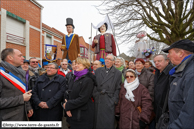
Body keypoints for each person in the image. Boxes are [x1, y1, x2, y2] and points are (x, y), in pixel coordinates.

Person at [162, 39, 194, 129]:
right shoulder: (181, 71)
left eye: (170, 53)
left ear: (181, 53)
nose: (168, 56)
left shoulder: (191, 74)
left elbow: (189, 115)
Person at [0, 48, 33, 127]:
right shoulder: (1, 74)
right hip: (7, 120)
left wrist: (28, 106)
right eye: (20, 56)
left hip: (22, 116)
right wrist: (21, 99)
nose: (23, 58)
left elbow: (23, 92)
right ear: (10, 58)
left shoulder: (19, 72)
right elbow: (22, 97)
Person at [63, 57, 96, 129]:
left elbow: (83, 98)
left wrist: (68, 105)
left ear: (85, 66)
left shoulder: (88, 80)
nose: (76, 65)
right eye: (76, 64)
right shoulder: (74, 77)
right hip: (73, 112)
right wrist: (67, 107)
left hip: (82, 115)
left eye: (79, 64)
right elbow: (68, 92)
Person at [93, 54, 122, 129]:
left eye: (109, 59)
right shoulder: (98, 70)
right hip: (99, 99)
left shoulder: (117, 73)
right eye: (106, 58)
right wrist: (95, 95)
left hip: (109, 100)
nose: (107, 60)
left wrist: (114, 100)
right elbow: (94, 84)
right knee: (98, 122)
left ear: (113, 62)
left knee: (107, 122)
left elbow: (118, 88)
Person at [153, 54, 173, 123]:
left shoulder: (172, 73)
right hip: (157, 107)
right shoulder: (157, 72)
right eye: (155, 62)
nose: (156, 63)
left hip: (166, 110)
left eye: (159, 61)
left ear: (167, 61)